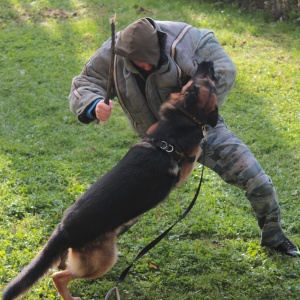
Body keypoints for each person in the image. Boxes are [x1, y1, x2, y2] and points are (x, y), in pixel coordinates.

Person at [68, 18, 299, 257]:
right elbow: (85, 82)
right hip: (158, 145)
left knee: (258, 181)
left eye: (150, 62)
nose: (145, 67)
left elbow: (225, 69)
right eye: (138, 63)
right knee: (119, 206)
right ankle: (74, 249)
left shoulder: (187, 40)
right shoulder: (114, 52)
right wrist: (93, 105)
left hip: (201, 129)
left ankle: (274, 237)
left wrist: (183, 111)